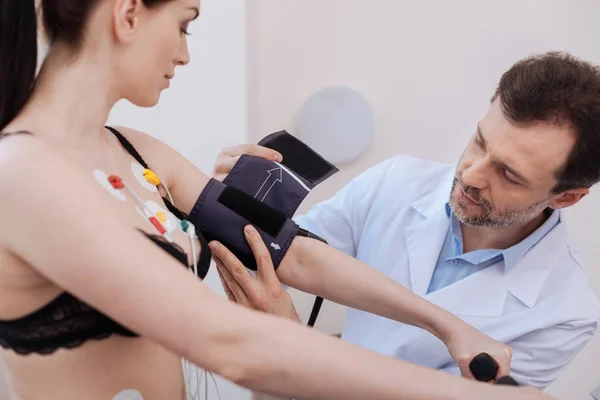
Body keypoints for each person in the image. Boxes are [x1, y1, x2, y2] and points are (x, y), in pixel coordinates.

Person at [0, 1, 551, 400]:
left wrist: (447, 326)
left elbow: (293, 253)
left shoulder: (137, 151)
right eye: (184, 23)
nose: (185, 53)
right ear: (127, 14)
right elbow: (231, 343)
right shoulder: (23, 173)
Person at [213, 51, 600, 391]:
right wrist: (235, 198)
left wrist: (296, 349)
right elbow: (288, 255)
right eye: (480, 142)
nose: (471, 175)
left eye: (509, 175)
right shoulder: (398, 182)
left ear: (565, 196)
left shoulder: (564, 313)